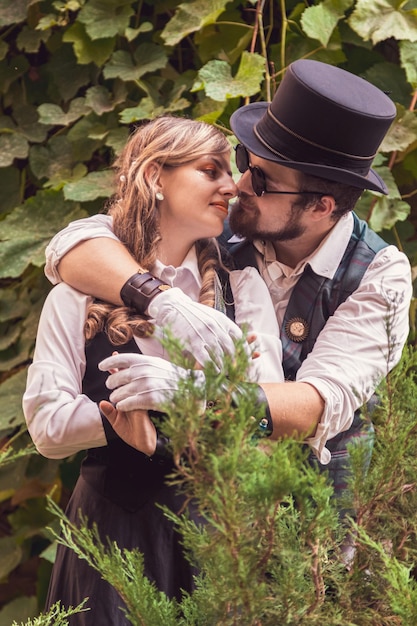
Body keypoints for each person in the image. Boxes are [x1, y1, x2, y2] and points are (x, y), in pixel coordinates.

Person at [43, 60, 412, 508]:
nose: (238, 186)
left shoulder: (379, 275)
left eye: (261, 179)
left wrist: (188, 395)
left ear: (320, 207)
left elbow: (318, 404)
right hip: (198, 512)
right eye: (244, 161)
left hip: (315, 532)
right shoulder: (214, 224)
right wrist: (161, 301)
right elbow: (74, 244)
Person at [23, 116, 284, 625]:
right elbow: (47, 425)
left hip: (217, 532)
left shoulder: (243, 288)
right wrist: (117, 417)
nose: (231, 185)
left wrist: (175, 400)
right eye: (211, 170)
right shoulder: (75, 294)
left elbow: (265, 420)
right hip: (110, 539)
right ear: (154, 178)